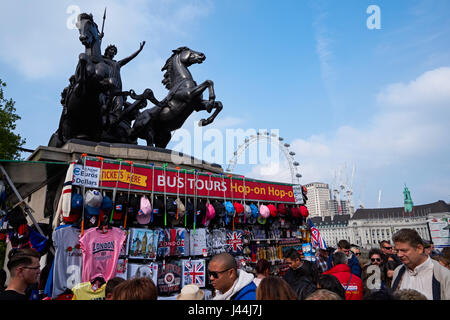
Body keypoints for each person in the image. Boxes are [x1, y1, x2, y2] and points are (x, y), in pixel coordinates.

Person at [391, 228, 450, 300]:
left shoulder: (444, 275)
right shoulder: (398, 271)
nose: (399, 255)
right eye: (397, 251)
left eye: (404, 250)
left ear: (419, 248)